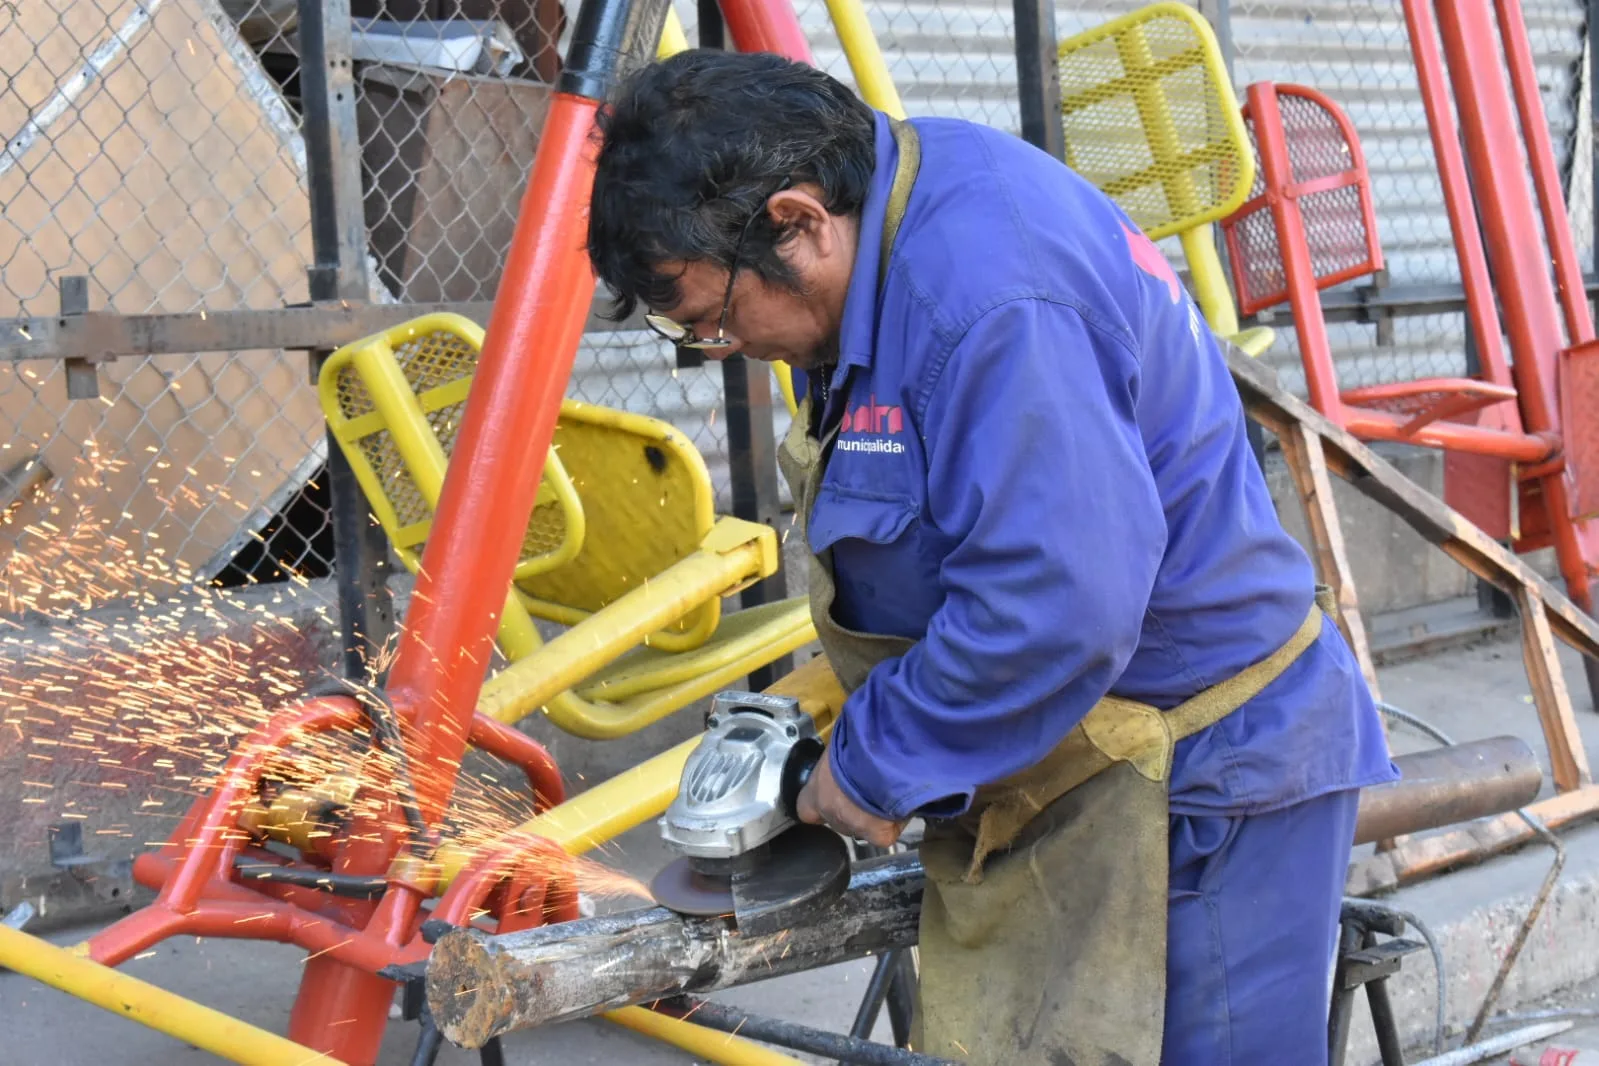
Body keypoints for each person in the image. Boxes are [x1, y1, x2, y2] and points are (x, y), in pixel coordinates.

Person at [585, 48, 1398, 1066]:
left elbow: (1059, 600)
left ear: (795, 219)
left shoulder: (986, 297)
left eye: (711, 317)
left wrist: (875, 762)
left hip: (1202, 782)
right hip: (1076, 758)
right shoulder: (879, 236)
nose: (724, 343)